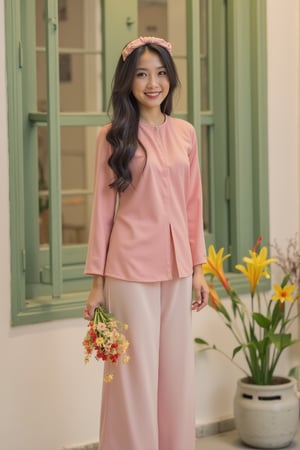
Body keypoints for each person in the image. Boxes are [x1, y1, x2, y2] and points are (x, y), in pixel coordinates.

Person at [84, 36, 209, 450]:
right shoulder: (113, 136)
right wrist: (98, 284)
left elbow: (193, 206)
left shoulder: (186, 134)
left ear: (170, 78)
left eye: (160, 73)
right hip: (129, 271)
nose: (152, 83)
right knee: (132, 378)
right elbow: (102, 213)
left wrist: (198, 269)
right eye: (141, 74)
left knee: (175, 375)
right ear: (128, 81)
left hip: (176, 269)